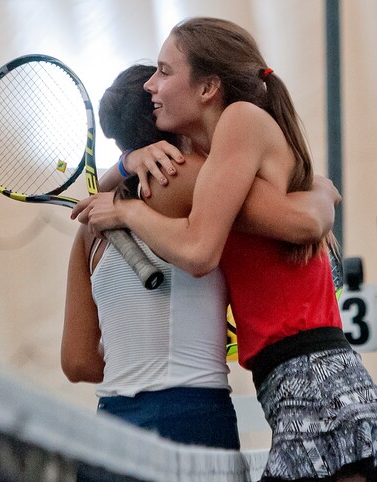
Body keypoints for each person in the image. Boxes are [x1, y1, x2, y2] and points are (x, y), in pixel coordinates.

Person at [73, 17, 376, 481]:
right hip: (293, 385)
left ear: (208, 87)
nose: (154, 85)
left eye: (165, 71)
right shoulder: (216, 166)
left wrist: (130, 211)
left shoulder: (239, 121)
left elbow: (200, 251)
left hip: (314, 384)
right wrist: (129, 159)